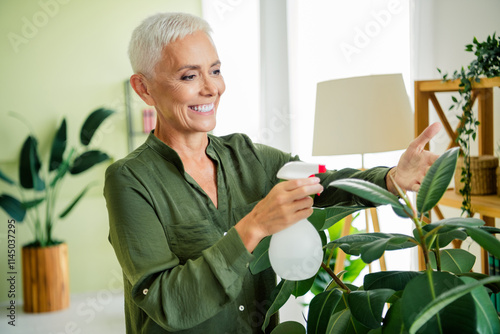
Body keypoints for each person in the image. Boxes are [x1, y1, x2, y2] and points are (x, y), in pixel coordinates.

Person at [104, 12, 441, 334]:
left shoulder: (248, 155)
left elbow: (322, 180)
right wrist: (254, 226)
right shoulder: (129, 180)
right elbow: (168, 303)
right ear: (144, 88)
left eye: (216, 70)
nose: (211, 88)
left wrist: (390, 178)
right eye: (189, 76)